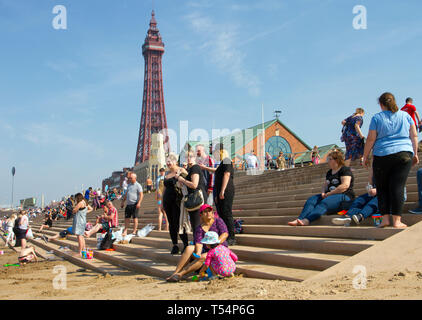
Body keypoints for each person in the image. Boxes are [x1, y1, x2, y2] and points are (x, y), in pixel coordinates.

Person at [363, 92, 419, 228]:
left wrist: (365, 156)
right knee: (398, 187)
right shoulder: (405, 116)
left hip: (382, 155)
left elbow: (371, 139)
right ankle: (397, 221)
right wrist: (415, 153)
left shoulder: (377, 118)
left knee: (382, 189)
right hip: (404, 154)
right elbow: (414, 135)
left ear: (381, 104)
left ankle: (385, 219)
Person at [288, 150, 355, 226]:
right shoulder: (329, 172)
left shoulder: (344, 170)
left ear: (337, 160)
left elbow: (345, 186)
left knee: (324, 202)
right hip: (330, 195)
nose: (328, 161)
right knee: (311, 200)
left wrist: (330, 193)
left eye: (329, 159)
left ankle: (307, 220)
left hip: (344, 196)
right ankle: (300, 219)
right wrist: (323, 192)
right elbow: (325, 185)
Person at [166, 204, 229, 282]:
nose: (208, 213)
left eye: (210, 211)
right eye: (205, 212)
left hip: (219, 248)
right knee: (189, 248)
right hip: (206, 249)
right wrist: (198, 252)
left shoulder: (218, 221)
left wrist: (216, 243)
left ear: (213, 213)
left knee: (204, 256)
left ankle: (180, 274)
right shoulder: (199, 228)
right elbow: (199, 243)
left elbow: (225, 234)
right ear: (201, 215)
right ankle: (175, 273)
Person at [200, 144, 236, 245]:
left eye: (215, 152)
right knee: (221, 213)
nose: (214, 155)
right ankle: (225, 234)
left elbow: (227, 174)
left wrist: (222, 191)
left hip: (226, 191)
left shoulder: (227, 160)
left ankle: (231, 237)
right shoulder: (221, 163)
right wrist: (205, 168)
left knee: (226, 213)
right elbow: (217, 171)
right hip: (219, 191)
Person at [175, 151, 207, 234]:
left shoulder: (195, 168)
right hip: (194, 198)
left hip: (196, 198)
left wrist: (182, 180)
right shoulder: (191, 169)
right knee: (195, 224)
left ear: (195, 157)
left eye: (191, 156)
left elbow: (194, 185)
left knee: (196, 224)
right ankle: (199, 243)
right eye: (187, 157)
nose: (189, 158)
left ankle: (199, 244)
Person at [162, 154, 189, 254]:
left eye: (170, 161)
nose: (168, 163)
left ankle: (186, 244)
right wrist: (161, 203)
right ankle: (175, 245)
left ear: (175, 161)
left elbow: (188, 181)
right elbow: (164, 189)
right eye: (167, 161)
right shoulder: (167, 174)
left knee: (178, 223)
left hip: (177, 201)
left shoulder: (181, 170)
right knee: (171, 224)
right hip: (167, 201)